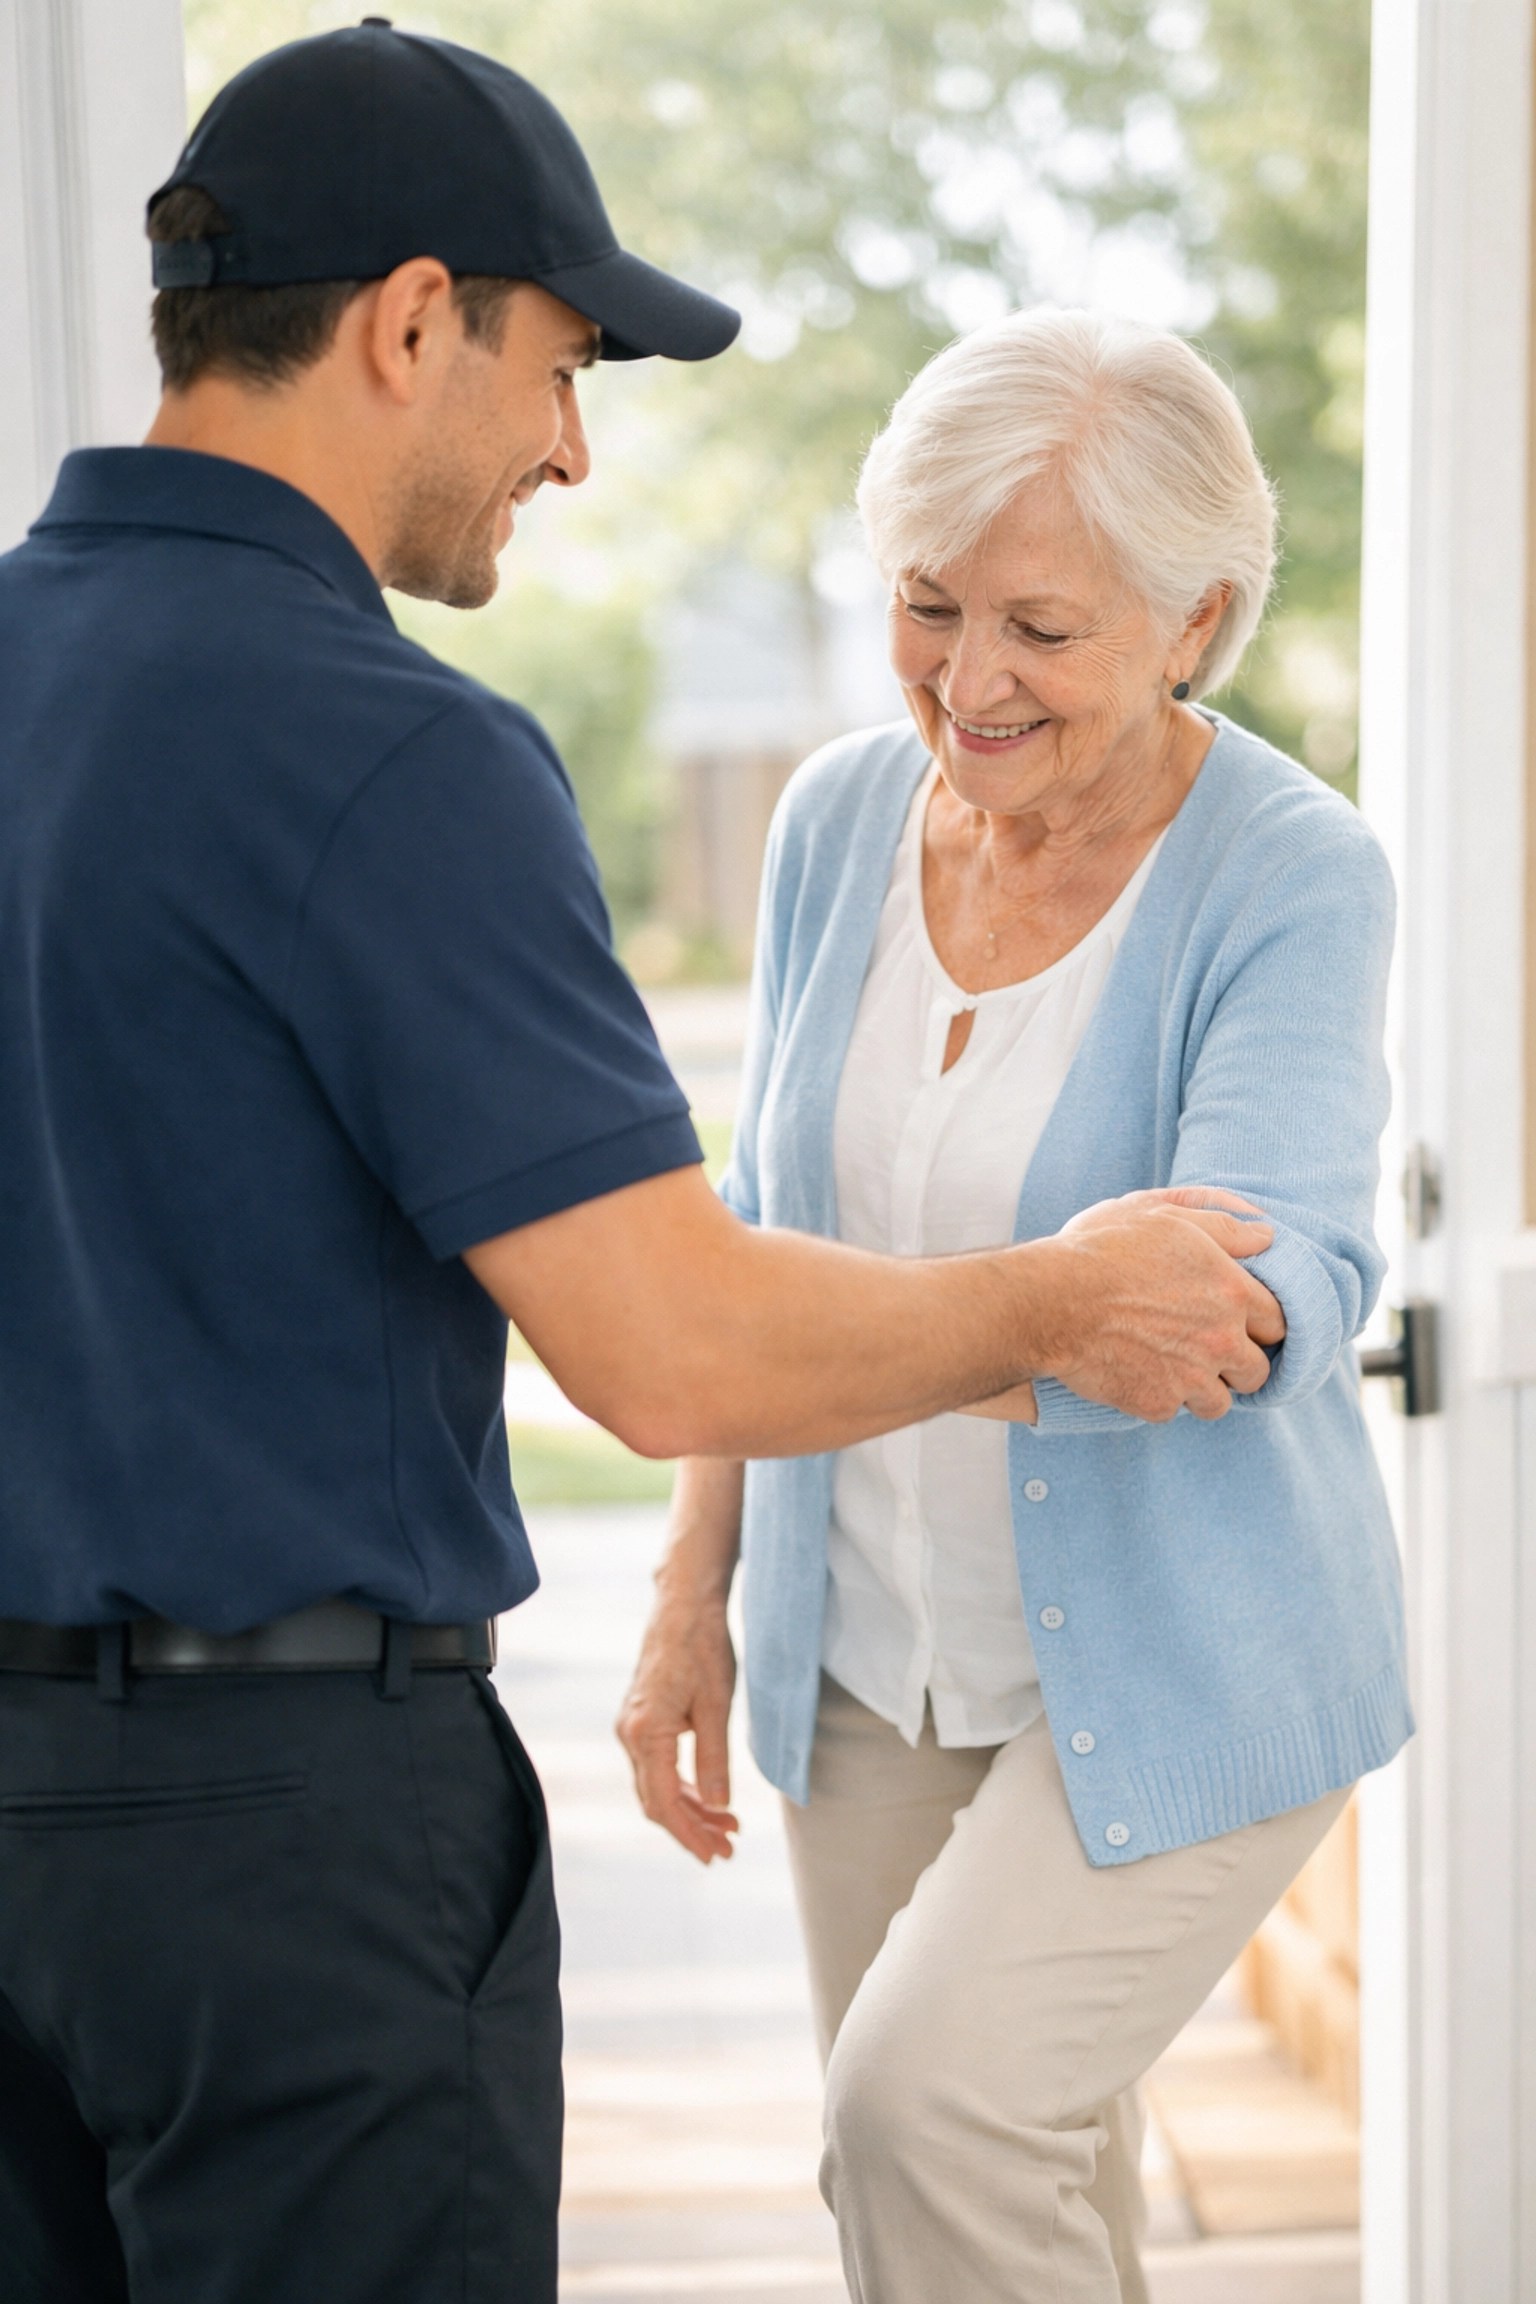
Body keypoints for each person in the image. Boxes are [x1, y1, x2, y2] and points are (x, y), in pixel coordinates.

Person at [0, 31, 1283, 2304]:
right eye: (559, 363)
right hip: (281, 1858)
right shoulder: (398, 757)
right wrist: (1055, 1300)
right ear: (412, 322)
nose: (570, 451)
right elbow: (668, 1340)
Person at [619, 307, 1412, 2304]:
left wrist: (941, 1326)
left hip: (1183, 1654)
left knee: (924, 2118)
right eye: (926, 604)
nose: (967, 682)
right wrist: (694, 1591)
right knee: (999, 2202)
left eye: (1041, 631)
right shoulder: (829, 830)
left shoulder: (1291, 876)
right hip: (861, 1642)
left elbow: (1253, 1299)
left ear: (1193, 621)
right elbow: (760, 1221)